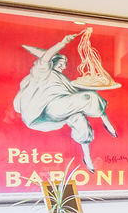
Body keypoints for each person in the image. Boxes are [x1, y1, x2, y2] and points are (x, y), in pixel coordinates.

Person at [12, 33, 117, 170]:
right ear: (52, 63)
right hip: (50, 108)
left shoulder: (62, 79)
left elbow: (71, 91)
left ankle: (87, 157)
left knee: (80, 119)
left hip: (61, 109)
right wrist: (62, 43)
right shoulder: (41, 72)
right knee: (89, 97)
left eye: (65, 64)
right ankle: (106, 122)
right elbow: (46, 58)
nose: (64, 67)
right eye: (61, 64)